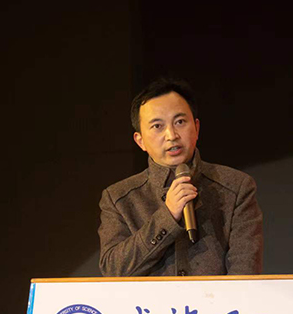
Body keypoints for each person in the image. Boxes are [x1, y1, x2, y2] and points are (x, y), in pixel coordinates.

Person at [98, 77, 263, 276]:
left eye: (180, 122)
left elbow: (245, 273)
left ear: (197, 128)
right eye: (157, 126)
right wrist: (166, 217)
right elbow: (113, 270)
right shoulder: (118, 198)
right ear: (140, 141)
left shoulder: (236, 187)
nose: (172, 135)